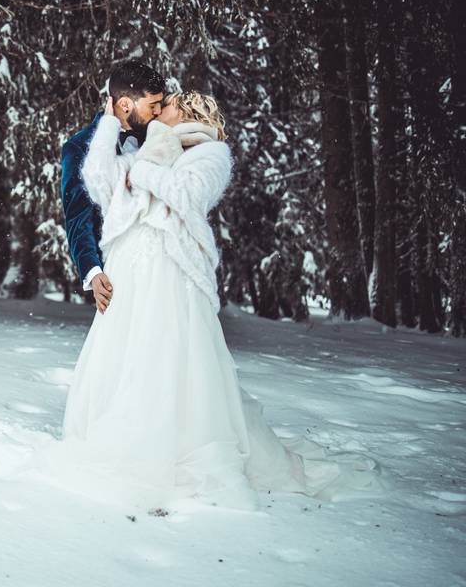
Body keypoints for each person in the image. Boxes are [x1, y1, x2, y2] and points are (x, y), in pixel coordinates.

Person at [49, 89, 385, 512]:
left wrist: (144, 174)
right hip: (133, 273)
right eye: (155, 104)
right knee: (130, 358)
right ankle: (127, 439)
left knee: (175, 360)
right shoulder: (154, 146)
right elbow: (99, 182)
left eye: (164, 105)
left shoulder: (210, 153)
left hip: (173, 274)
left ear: (184, 111)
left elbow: (185, 195)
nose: (156, 111)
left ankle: (176, 451)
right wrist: (111, 128)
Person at [59, 59, 164, 313]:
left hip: (162, 268)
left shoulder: (160, 135)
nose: (160, 111)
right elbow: (78, 218)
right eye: (153, 105)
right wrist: (94, 272)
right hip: (120, 268)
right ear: (125, 104)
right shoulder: (79, 147)